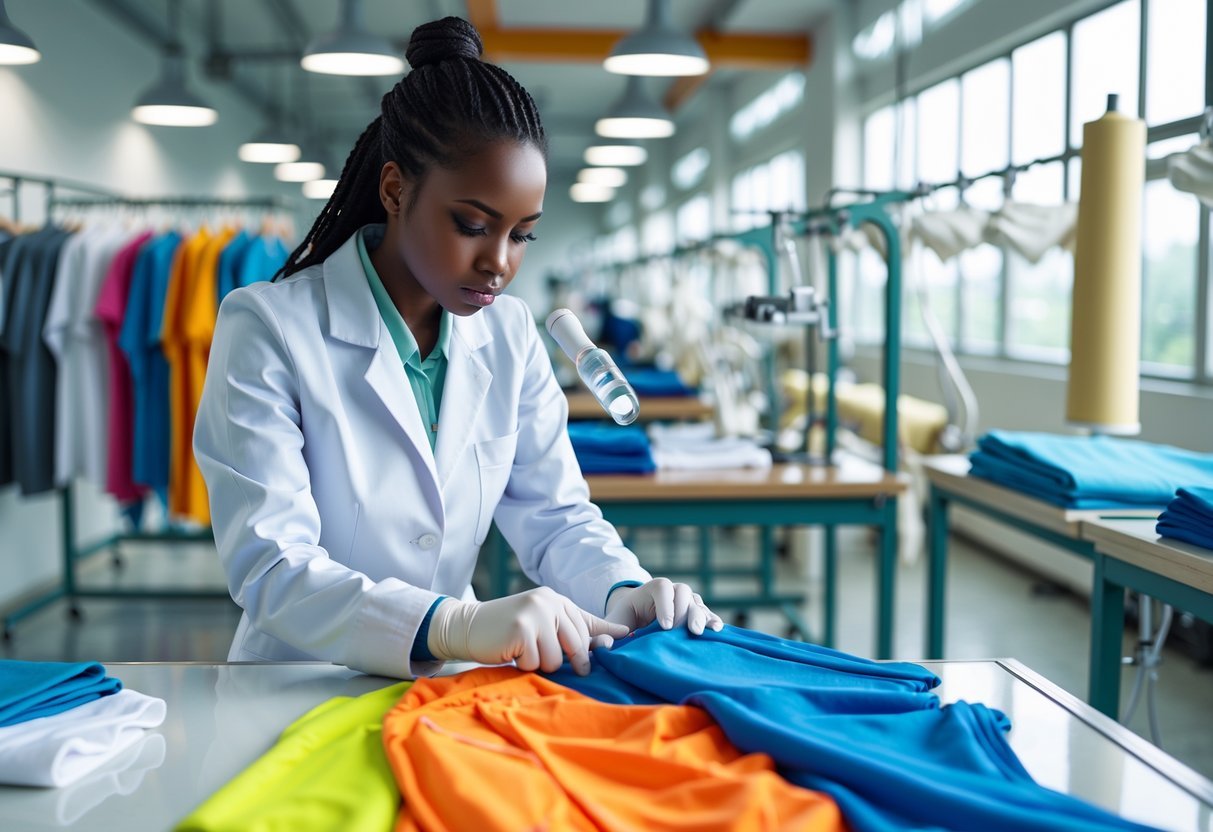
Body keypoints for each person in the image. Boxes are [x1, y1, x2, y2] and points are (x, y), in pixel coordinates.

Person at [193, 16, 722, 681]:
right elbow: (270, 564)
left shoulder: (509, 335)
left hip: (451, 684)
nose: (497, 263)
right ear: (394, 190)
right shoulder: (267, 328)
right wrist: (455, 623)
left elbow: (554, 516)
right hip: (298, 680)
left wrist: (623, 590)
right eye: (472, 225)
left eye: (522, 235)